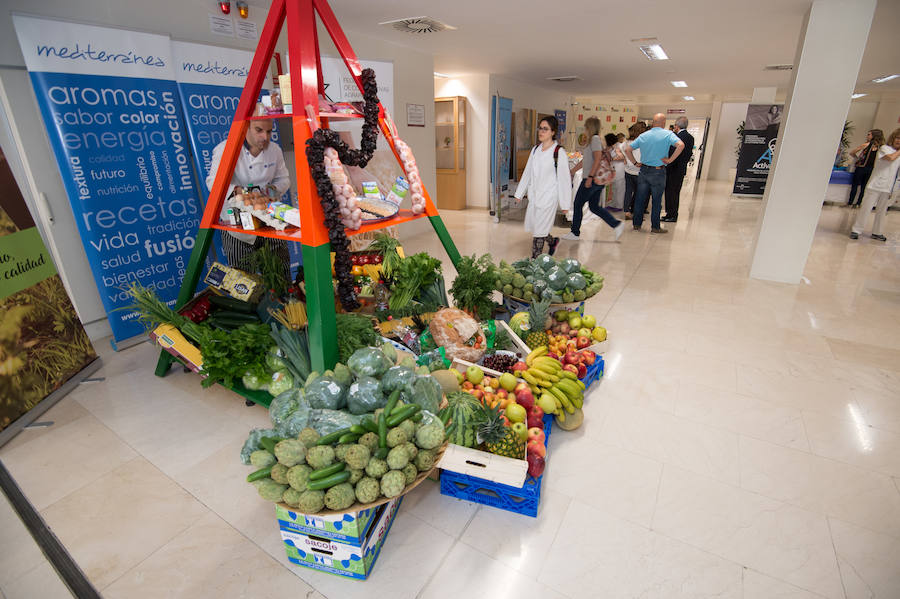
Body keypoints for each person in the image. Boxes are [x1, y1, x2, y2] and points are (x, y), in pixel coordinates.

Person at [207, 119, 291, 275]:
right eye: (258, 130)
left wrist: (272, 190)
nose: (265, 137)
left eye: (269, 131)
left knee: (280, 273)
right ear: (245, 128)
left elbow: (284, 179)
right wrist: (239, 191)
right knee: (244, 279)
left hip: (269, 221)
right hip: (237, 226)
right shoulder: (226, 148)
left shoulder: (275, 150)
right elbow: (213, 182)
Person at [557, 118, 623, 243]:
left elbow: (597, 159)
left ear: (590, 127)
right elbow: (586, 160)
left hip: (592, 179)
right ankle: (616, 224)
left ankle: (575, 232)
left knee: (577, 204)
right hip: (594, 179)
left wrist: (590, 177)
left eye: (586, 127)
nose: (585, 129)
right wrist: (572, 171)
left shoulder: (595, 139)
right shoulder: (593, 141)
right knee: (594, 207)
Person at [514, 116, 571, 257]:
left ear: (553, 132)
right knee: (537, 226)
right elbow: (528, 172)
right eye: (540, 128)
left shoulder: (559, 152)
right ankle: (553, 242)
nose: (541, 131)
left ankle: (535, 261)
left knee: (539, 230)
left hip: (549, 197)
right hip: (535, 197)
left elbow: (564, 180)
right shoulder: (535, 150)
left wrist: (565, 204)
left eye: (545, 129)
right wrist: (519, 193)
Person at [624, 113, 684, 233]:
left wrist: (635, 163)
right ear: (663, 122)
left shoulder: (643, 135)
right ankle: (655, 227)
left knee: (640, 199)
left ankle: (636, 224)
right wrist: (670, 160)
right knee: (656, 201)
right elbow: (681, 145)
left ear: (653, 122)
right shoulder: (668, 134)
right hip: (658, 171)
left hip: (644, 171)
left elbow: (627, 150)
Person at [850, 127, 900, 242]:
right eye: (897, 138)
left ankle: (877, 232)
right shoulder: (885, 148)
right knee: (866, 209)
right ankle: (856, 230)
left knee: (882, 211)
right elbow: (890, 158)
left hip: (888, 187)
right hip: (875, 185)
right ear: (893, 138)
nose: (899, 140)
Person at [662, 116, 695, 222]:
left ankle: (671, 214)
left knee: (671, 192)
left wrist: (667, 163)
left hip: (673, 169)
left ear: (677, 126)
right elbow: (688, 154)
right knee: (675, 192)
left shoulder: (676, 137)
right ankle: (671, 213)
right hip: (680, 169)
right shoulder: (690, 137)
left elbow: (672, 153)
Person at [847, 129, 884, 207]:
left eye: (869, 134)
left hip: (861, 168)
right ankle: (858, 203)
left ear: (873, 136)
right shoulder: (880, 148)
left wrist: (858, 159)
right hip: (871, 169)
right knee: (864, 187)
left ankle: (850, 202)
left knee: (855, 185)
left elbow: (852, 152)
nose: (867, 136)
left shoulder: (866, 145)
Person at [623, 123, 645, 219]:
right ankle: (636, 213)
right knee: (639, 193)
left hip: (628, 170)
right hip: (638, 170)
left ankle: (626, 211)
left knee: (628, 191)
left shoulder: (627, 142)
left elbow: (624, 152)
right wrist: (636, 163)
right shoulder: (641, 142)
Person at [607, 133, 627, 211]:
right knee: (615, 187)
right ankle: (613, 204)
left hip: (620, 169)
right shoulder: (613, 147)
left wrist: (612, 159)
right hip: (615, 169)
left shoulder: (619, 146)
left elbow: (622, 157)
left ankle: (619, 205)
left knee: (620, 188)